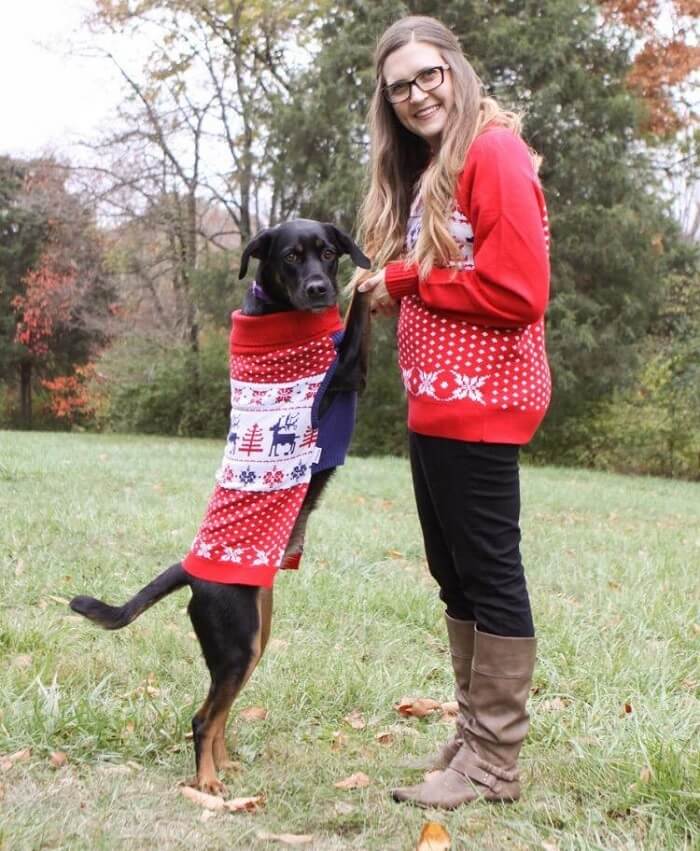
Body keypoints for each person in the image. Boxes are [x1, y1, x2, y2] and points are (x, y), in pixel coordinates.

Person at [354, 15, 551, 809]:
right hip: (436, 400)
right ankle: (474, 741)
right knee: (454, 574)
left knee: (490, 575)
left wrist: (405, 281)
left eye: (428, 74)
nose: (416, 94)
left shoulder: (492, 151)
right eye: (400, 85)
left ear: (456, 70)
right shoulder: (437, 163)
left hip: (483, 401)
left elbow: (517, 290)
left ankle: (496, 762)